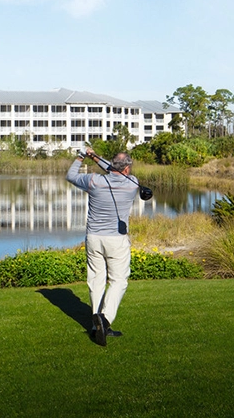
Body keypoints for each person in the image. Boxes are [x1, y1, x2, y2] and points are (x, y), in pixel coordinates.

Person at [66, 146, 140, 346]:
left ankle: (95, 326)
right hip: (116, 240)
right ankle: (105, 320)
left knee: (96, 281)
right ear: (127, 169)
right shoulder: (132, 184)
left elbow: (71, 175)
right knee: (119, 281)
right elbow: (114, 169)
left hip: (94, 238)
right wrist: (97, 158)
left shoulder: (94, 181)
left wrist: (84, 156)